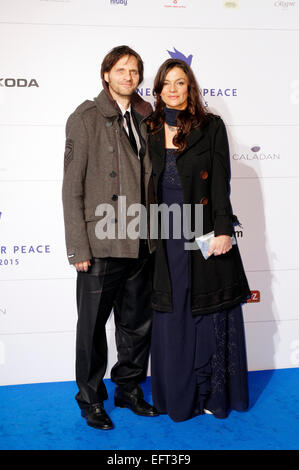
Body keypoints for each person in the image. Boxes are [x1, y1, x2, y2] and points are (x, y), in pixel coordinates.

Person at [147, 58, 251, 422]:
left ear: (191, 87)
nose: (173, 90)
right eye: (166, 84)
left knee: (206, 307)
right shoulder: (148, 127)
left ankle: (209, 392)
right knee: (172, 309)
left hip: (202, 228)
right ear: (157, 90)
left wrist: (224, 228)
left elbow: (221, 181)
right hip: (163, 233)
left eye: (181, 82)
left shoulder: (211, 126)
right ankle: (176, 395)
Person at [62, 45, 158, 430]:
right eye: (121, 70)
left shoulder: (146, 115)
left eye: (134, 71)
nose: (129, 77)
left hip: (141, 239)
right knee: (92, 327)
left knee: (136, 324)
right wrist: (78, 248)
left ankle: (128, 388)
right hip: (100, 242)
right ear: (106, 75)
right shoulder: (84, 117)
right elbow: (72, 189)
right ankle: (89, 397)